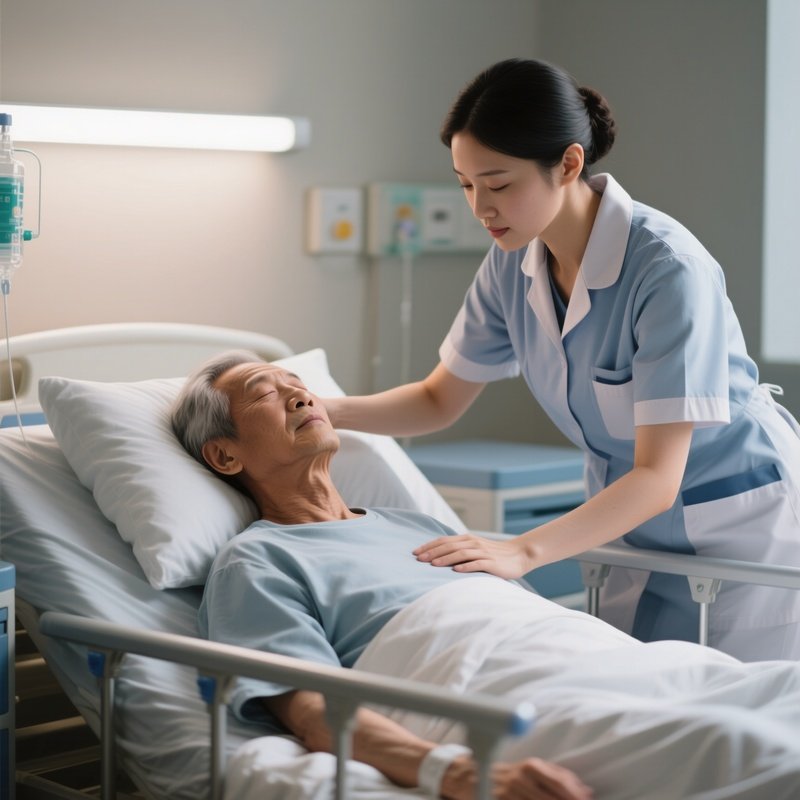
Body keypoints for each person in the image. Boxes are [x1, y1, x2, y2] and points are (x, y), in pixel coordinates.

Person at [322, 58, 800, 662]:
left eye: (499, 185)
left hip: (738, 527)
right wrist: (324, 409)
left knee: (738, 714)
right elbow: (439, 399)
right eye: (466, 184)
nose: (480, 208)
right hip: (629, 528)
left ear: (569, 164)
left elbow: (658, 475)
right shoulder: (511, 261)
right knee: (639, 699)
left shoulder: (665, 270)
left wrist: (520, 552)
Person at [171, 350, 593, 800]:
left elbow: (528, 616)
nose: (299, 395)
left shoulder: (416, 524)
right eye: (266, 394)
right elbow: (312, 710)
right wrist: (460, 774)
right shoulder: (257, 560)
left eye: (297, 382)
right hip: (506, 698)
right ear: (224, 454)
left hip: (583, 657)